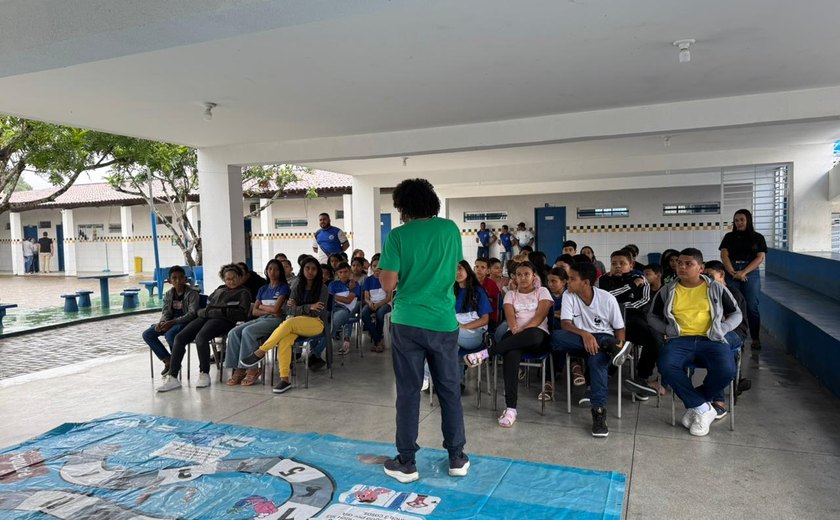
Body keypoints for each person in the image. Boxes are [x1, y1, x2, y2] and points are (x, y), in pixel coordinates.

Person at [377, 178, 469, 484]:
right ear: (432, 202)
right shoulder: (450, 230)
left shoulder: (398, 236)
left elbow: (388, 285)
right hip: (443, 321)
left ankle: (406, 462)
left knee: (408, 391)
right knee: (449, 390)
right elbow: (452, 267)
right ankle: (456, 457)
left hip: (407, 321)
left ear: (402, 206)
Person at [649, 248, 742, 437]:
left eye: (688, 264)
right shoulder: (668, 290)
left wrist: (722, 329)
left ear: (701, 268)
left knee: (727, 370)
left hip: (711, 339)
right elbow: (652, 316)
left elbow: (736, 313)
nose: (681, 267)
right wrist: (667, 330)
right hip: (680, 340)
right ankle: (702, 408)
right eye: (679, 263)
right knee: (666, 365)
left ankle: (697, 403)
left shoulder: (715, 288)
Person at [464, 262, 553, 428]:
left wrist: (523, 331)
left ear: (534, 276)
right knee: (511, 354)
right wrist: (515, 329)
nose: (523, 277)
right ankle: (511, 408)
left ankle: (486, 353)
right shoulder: (510, 294)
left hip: (537, 337)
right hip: (515, 334)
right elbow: (511, 318)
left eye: (527, 274)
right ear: (514, 277)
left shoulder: (542, 291)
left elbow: (540, 316)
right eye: (519, 275)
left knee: (531, 335)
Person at [549, 262, 629, 437]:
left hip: (603, 336)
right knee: (556, 337)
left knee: (596, 359)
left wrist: (620, 346)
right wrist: (585, 334)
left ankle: (599, 413)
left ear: (585, 282)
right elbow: (565, 323)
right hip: (579, 339)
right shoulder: (569, 296)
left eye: (571, 279)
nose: (567, 282)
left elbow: (619, 329)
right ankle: (608, 347)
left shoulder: (607, 298)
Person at [156, 264, 252, 392]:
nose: (231, 281)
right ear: (224, 279)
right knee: (180, 337)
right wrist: (211, 311)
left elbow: (240, 313)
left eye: (234, 278)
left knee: (201, 337)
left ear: (240, 278)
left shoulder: (243, 292)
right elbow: (206, 307)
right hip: (206, 317)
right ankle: (173, 377)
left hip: (224, 321)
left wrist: (216, 312)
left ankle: (204, 373)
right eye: (228, 279)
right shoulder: (219, 290)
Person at [241, 256, 329, 393]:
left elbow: (317, 312)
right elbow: (288, 309)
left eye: (313, 269)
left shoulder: (322, 288)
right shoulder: (297, 286)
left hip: (315, 323)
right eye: (307, 268)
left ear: (317, 271)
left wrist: (300, 308)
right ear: (302, 270)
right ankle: (285, 379)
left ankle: (261, 351)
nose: (310, 271)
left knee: (289, 322)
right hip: (295, 323)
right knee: (284, 340)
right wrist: (309, 307)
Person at [423, 260, 493, 392]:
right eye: (453, 270)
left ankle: (426, 375)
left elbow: (485, 320)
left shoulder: (478, 291)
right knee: (451, 345)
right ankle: (457, 382)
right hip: (454, 333)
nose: (457, 272)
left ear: (467, 270)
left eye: (460, 269)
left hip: (474, 334)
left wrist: (464, 327)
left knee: (447, 338)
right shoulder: (450, 292)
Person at [224, 259, 290, 386]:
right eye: (270, 269)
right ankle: (239, 368)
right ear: (266, 271)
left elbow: (278, 312)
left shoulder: (284, 288)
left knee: (248, 331)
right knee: (233, 332)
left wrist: (264, 308)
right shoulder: (263, 289)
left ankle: (252, 369)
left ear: (280, 272)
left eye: (276, 269)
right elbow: (254, 311)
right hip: (261, 318)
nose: (273, 272)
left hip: (276, 321)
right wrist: (269, 310)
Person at [719, 208, 767, 349]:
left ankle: (755, 338)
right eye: (736, 220)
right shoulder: (729, 237)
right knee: (733, 306)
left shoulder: (758, 237)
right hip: (731, 271)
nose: (739, 222)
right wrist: (733, 272)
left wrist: (744, 272)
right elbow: (724, 255)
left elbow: (760, 257)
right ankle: (737, 337)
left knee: (751, 306)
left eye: (742, 220)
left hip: (750, 272)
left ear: (748, 220)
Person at [142, 266, 200, 375]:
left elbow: (192, 314)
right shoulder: (168, 294)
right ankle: (169, 360)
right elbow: (166, 312)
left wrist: (172, 322)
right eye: (174, 278)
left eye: (181, 277)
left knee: (170, 334)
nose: (178, 281)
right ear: (169, 281)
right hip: (171, 321)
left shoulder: (192, 294)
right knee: (147, 334)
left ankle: (175, 363)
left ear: (185, 279)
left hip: (185, 322)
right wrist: (162, 322)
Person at [361, 257, 392, 352]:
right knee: (364, 313)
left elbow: (388, 297)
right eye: (374, 266)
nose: (377, 268)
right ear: (371, 267)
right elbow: (366, 297)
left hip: (385, 304)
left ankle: (377, 342)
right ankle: (378, 340)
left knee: (379, 314)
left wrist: (378, 305)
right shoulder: (368, 280)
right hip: (372, 303)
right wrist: (370, 303)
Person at [330, 262, 361, 355]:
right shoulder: (333, 284)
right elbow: (328, 300)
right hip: (332, 309)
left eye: (346, 272)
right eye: (341, 272)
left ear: (350, 272)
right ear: (337, 274)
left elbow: (348, 300)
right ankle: (324, 341)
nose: (343, 274)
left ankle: (342, 341)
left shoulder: (355, 285)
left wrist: (333, 296)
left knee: (339, 318)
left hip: (345, 310)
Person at [473, 257, 500, 325]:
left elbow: (491, 301)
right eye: (477, 267)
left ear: (488, 271)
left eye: (482, 267)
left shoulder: (491, 284)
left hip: (488, 317)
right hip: (471, 314)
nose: (479, 269)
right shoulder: (470, 283)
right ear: (474, 269)